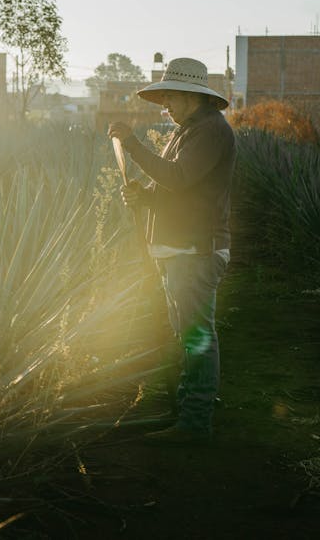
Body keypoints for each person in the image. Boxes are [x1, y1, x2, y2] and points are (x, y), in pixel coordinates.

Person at [107, 57, 236, 444]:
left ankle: (195, 422)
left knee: (198, 336)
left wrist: (132, 144)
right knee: (188, 334)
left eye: (169, 97)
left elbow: (178, 178)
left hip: (195, 252)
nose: (164, 104)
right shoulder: (189, 131)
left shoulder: (211, 131)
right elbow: (176, 189)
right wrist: (144, 197)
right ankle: (190, 407)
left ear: (191, 96)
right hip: (180, 251)